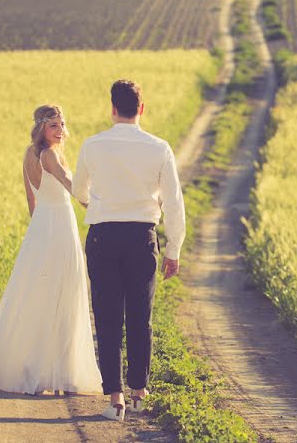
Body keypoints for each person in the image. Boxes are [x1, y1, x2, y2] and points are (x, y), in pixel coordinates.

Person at [73, 79, 185, 421]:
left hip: (103, 237)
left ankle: (115, 400)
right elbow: (174, 204)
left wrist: (104, 205)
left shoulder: (93, 145)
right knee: (140, 317)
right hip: (142, 239)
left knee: (107, 319)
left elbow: (79, 190)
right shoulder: (159, 147)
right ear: (142, 108)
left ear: (112, 109)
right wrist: (173, 249)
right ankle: (138, 393)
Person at [0, 105, 101, 395]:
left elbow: (31, 199)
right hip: (58, 225)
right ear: (42, 128)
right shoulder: (51, 155)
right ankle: (55, 373)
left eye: (62, 124)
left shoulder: (29, 153)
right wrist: (103, 207)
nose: (60, 130)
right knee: (62, 291)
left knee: (37, 293)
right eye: (53, 125)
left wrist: (38, 231)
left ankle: (36, 367)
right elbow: (75, 191)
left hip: (41, 226)